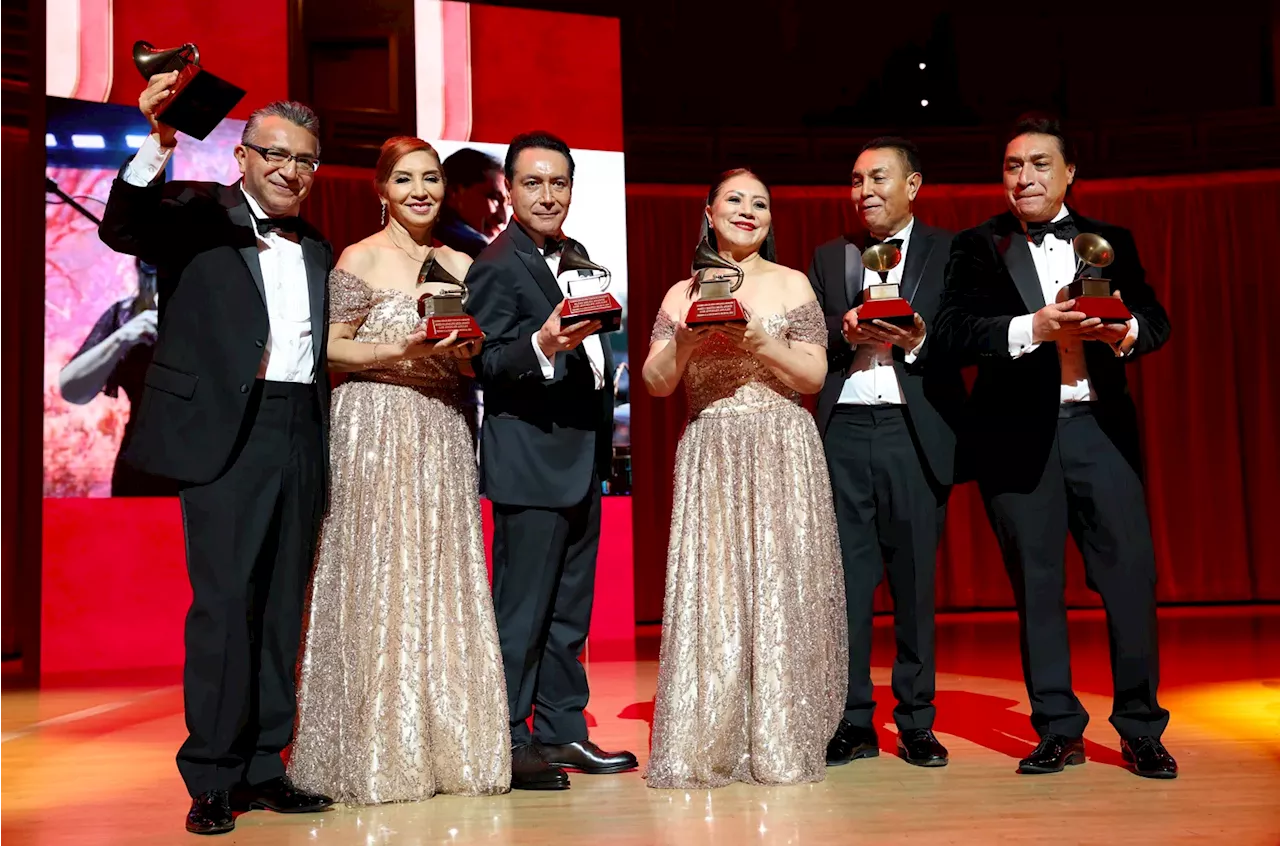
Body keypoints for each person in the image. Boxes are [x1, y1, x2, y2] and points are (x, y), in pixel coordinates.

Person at [98, 72, 335, 835]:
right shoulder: (199, 213)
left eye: (305, 160)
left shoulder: (319, 246)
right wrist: (158, 143)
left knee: (280, 608)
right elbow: (123, 227)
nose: (289, 170)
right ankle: (211, 777)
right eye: (275, 154)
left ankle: (267, 765)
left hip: (300, 426)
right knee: (226, 607)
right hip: (228, 434)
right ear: (243, 157)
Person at [934, 113, 1177, 779]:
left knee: (1130, 581)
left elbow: (1154, 323)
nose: (1025, 177)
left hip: (1101, 432)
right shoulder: (976, 245)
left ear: (1069, 173)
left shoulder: (1111, 240)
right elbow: (951, 332)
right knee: (1036, 589)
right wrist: (1030, 327)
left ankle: (1139, 729)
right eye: (1013, 166)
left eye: (1039, 164)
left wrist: (1123, 333)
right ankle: (1058, 729)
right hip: (1017, 438)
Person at [287, 136, 510, 803]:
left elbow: (474, 365)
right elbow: (330, 349)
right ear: (380, 190)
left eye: (432, 178)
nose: (421, 190)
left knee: (439, 575)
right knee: (376, 571)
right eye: (406, 179)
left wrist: (469, 349)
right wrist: (403, 343)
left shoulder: (462, 264)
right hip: (375, 424)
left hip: (441, 424)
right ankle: (375, 747)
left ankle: (446, 745)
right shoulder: (360, 257)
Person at [641, 168, 847, 789]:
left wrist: (760, 340)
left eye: (761, 203)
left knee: (781, 590)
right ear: (708, 211)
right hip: (712, 448)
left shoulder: (791, 284)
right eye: (735, 199)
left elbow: (812, 376)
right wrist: (683, 340)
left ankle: (783, 734)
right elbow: (655, 383)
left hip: (783, 445)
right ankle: (711, 736)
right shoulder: (682, 293)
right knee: (716, 594)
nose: (748, 211)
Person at [464, 131, 637, 791]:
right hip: (529, 462)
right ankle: (507, 740)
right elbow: (482, 361)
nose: (547, 195)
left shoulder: (579, 256)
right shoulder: (497, 263)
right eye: (532, 182)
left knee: (569, 611)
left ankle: (562, 729)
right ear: (509, 189)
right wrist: (539, 342)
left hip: (580, 457)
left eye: (558, 183)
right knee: (523, 612)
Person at [806, 138, 966, 768]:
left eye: (877, 178)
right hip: (843, 429)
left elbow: (963, 338)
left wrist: (919, 336)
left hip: (913, 427)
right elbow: (811, 342)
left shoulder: (951, 251)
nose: (864, 191)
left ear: (914, 185)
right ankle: (851, 721)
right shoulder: (829, 256)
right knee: (846, 586)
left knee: (914, 583)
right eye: (855, 180)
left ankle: (917, 721)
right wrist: (841, 335)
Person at [58, 258, 178, 496]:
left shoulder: (212, 316)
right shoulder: (125, 315)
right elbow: (71, 389)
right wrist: (122, 337)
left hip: (207, 462)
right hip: (141, 464)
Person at [436, 148, 508, 257]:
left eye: (508, 203)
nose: (502, 218)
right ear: (454, 192)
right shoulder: (475, 248)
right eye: (493, 198)